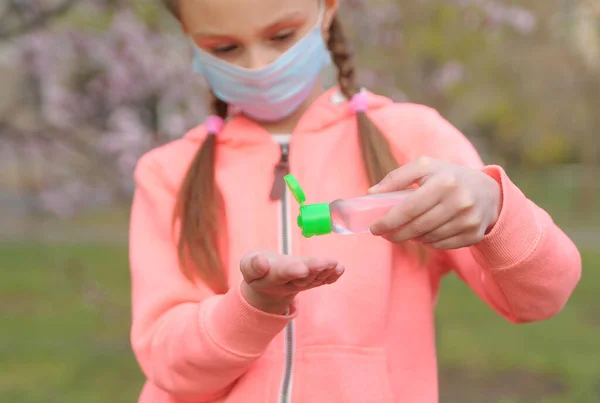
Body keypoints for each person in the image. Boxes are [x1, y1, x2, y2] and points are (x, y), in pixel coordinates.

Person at [128, 0, 582, 402]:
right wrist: (251, 307)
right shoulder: (167, 173)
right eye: (225, 49)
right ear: (190, 39)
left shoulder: (413, 139)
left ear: (327, 9)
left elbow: (542, 298)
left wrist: (496, 209)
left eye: (281, 35)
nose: (257, 65)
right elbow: (167, 363)